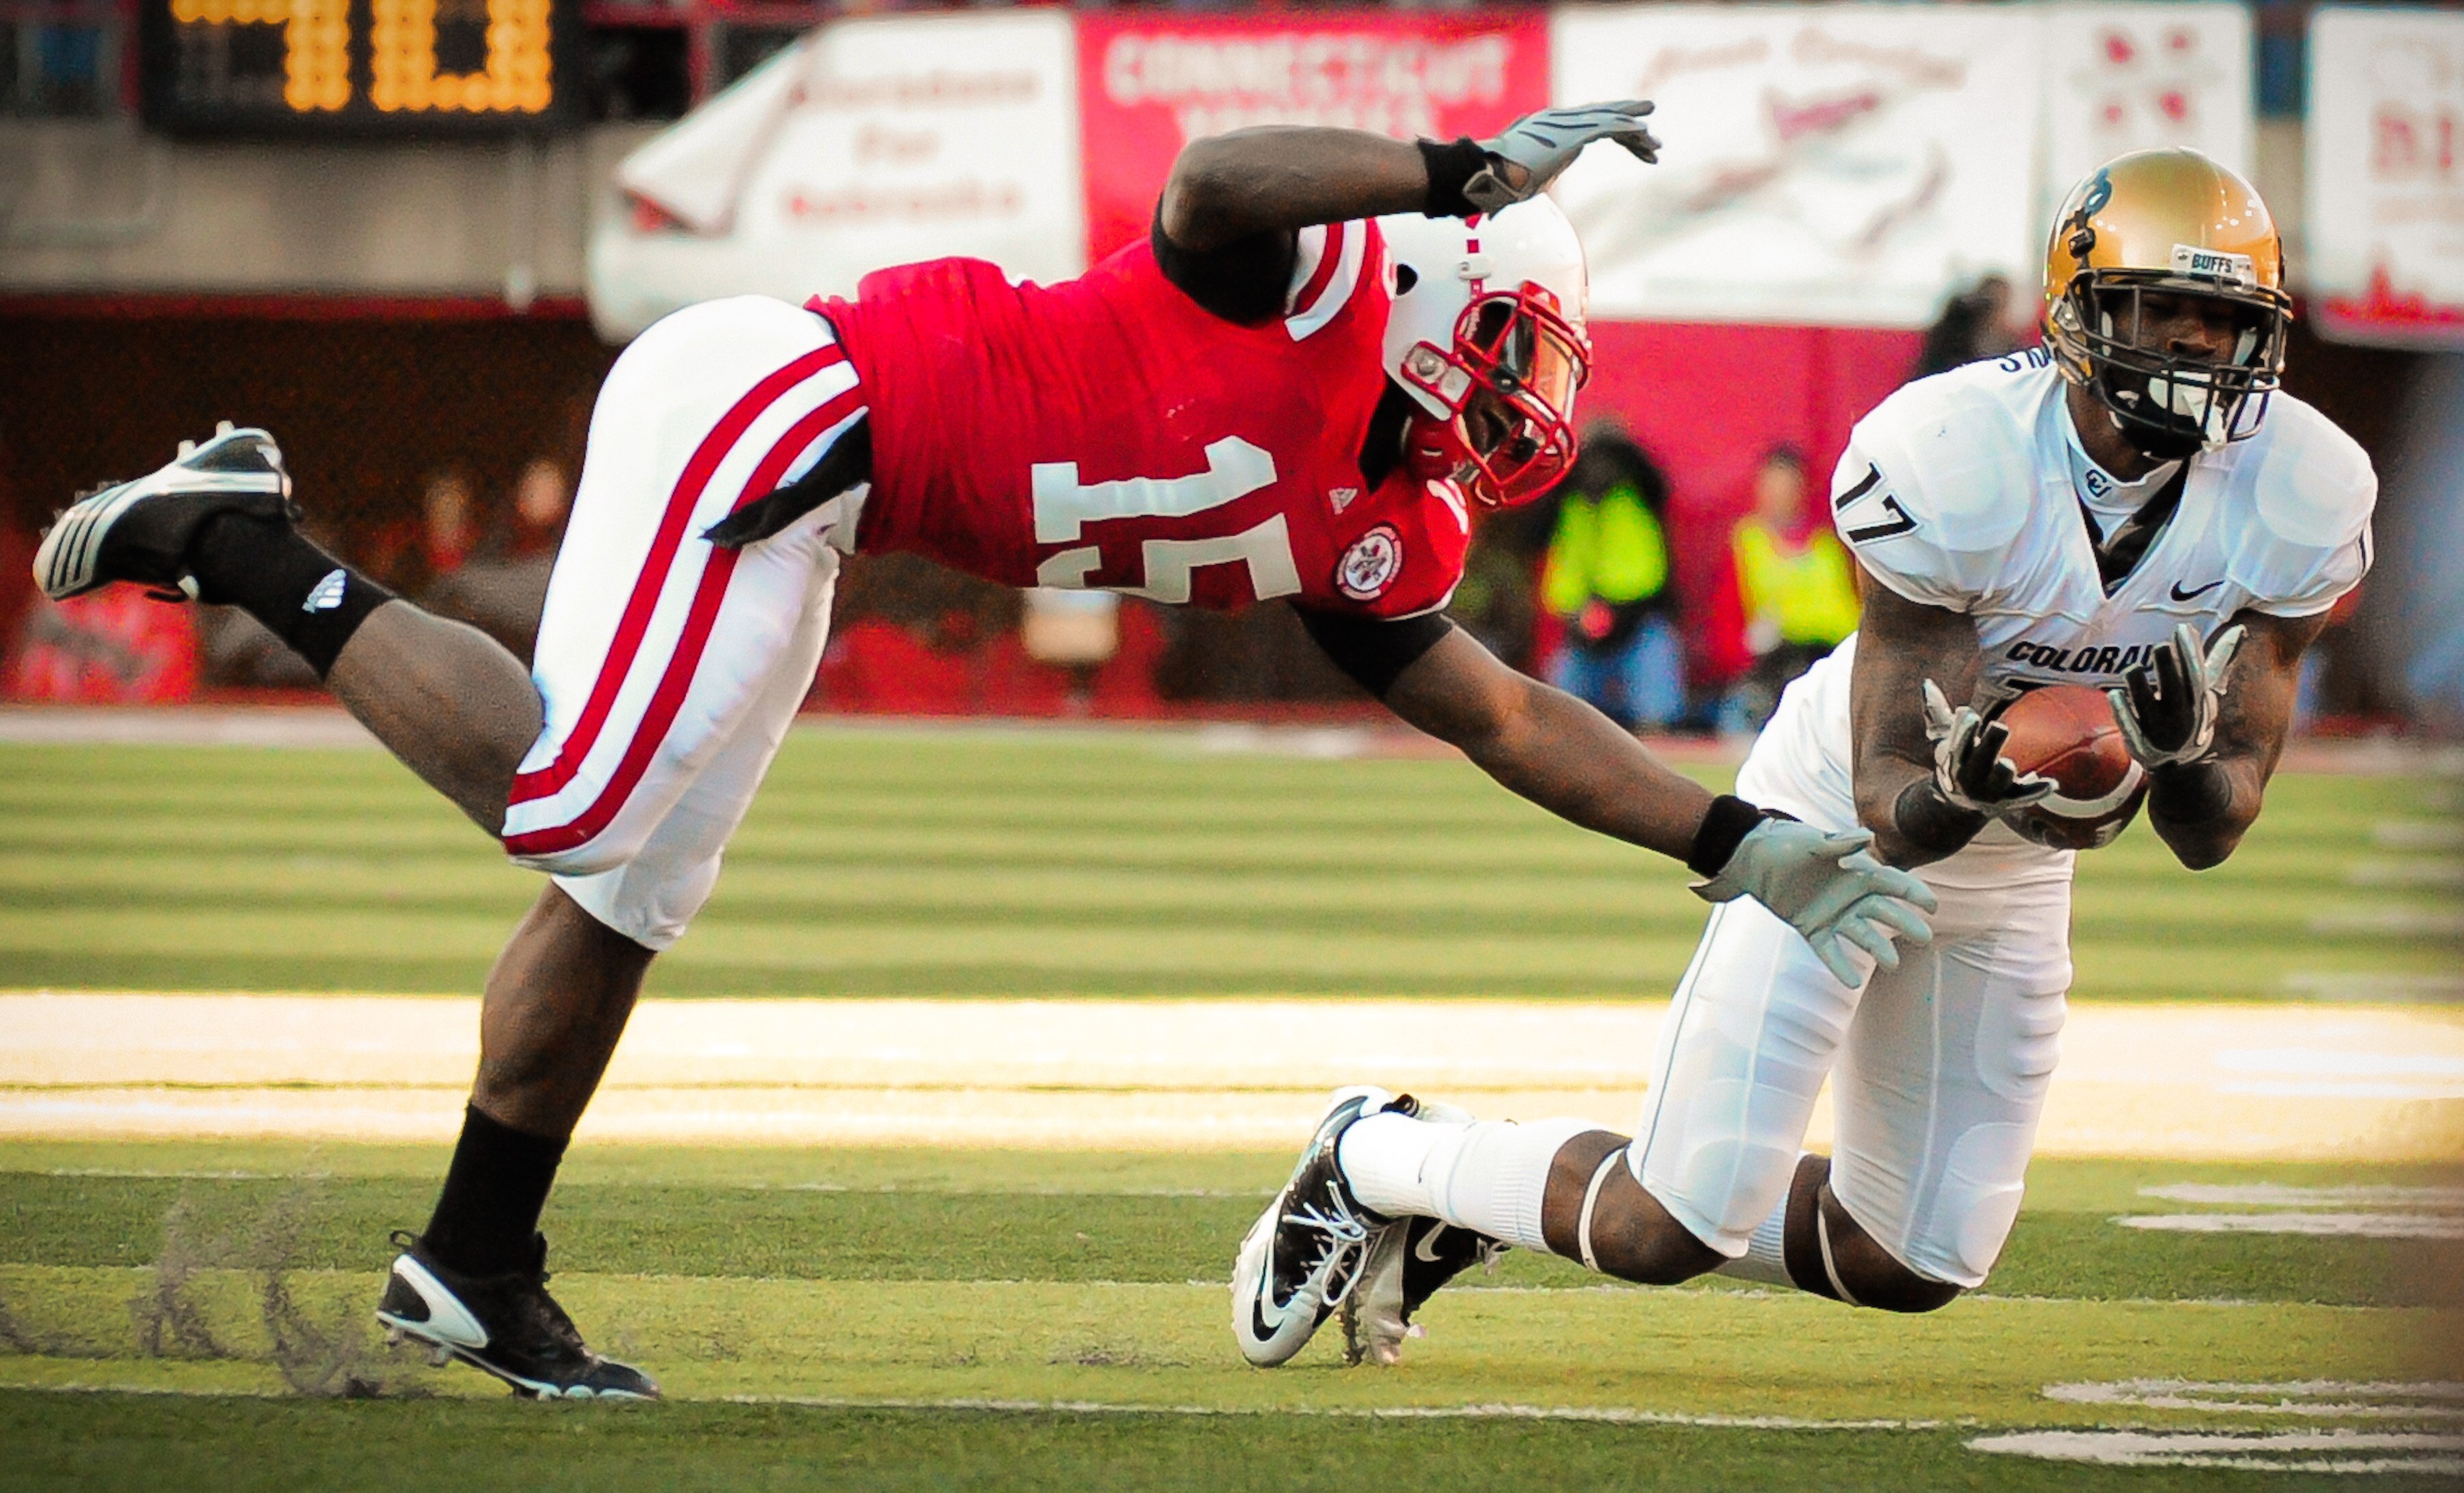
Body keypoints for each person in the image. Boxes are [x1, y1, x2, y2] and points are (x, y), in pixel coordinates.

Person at [34, 100, 1936, 1399]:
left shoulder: (1388, 521)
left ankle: (472, 1257)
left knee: (623, 891)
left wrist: (1731, 836)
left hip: (833, 498)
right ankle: (237, 529)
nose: (1528, 393)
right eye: (1515, 340)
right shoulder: (1296, 282)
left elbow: (1503, 709)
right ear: (1439, 280)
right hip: (784, 394)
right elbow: (1211, 175)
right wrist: (1444, 163)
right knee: (581, 796)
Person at [1239, 146, 2376, 1371]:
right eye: (2171, 311)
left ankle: (1484, 1191)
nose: (2201, 349)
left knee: (1914, 1258)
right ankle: (1382, 1156)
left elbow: (2212, 830)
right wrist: (1976, 775)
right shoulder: (1957, 452)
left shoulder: (2301, 486)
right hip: (1839, 810)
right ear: (2080, 311)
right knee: (1664, 1221)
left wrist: (2180, 747)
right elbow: (1895, 806)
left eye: (2228, 320)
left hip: (2018, 864)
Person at [1538, 430, 1683, 731]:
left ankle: (1657, 731)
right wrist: (1577, 614)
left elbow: (1653, 477)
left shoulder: (1638, 498)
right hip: (1586, 637)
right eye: (1590, 463)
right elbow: (1560, 583)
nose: (1597, 473)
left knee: (1657, 704)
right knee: (1559, 709)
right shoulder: (1570, 509)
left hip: (1638, 626)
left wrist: (1614, 436)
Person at [1720, 445, 1861, 733]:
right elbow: (1726, 621)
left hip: (1827, 662)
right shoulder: (1746, 541)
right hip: (1768, 668)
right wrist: (1746, 655)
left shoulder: (1827, 545)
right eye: (1772, 486)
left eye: (1787, 487)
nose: (1778, 496)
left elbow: (1852, 607)